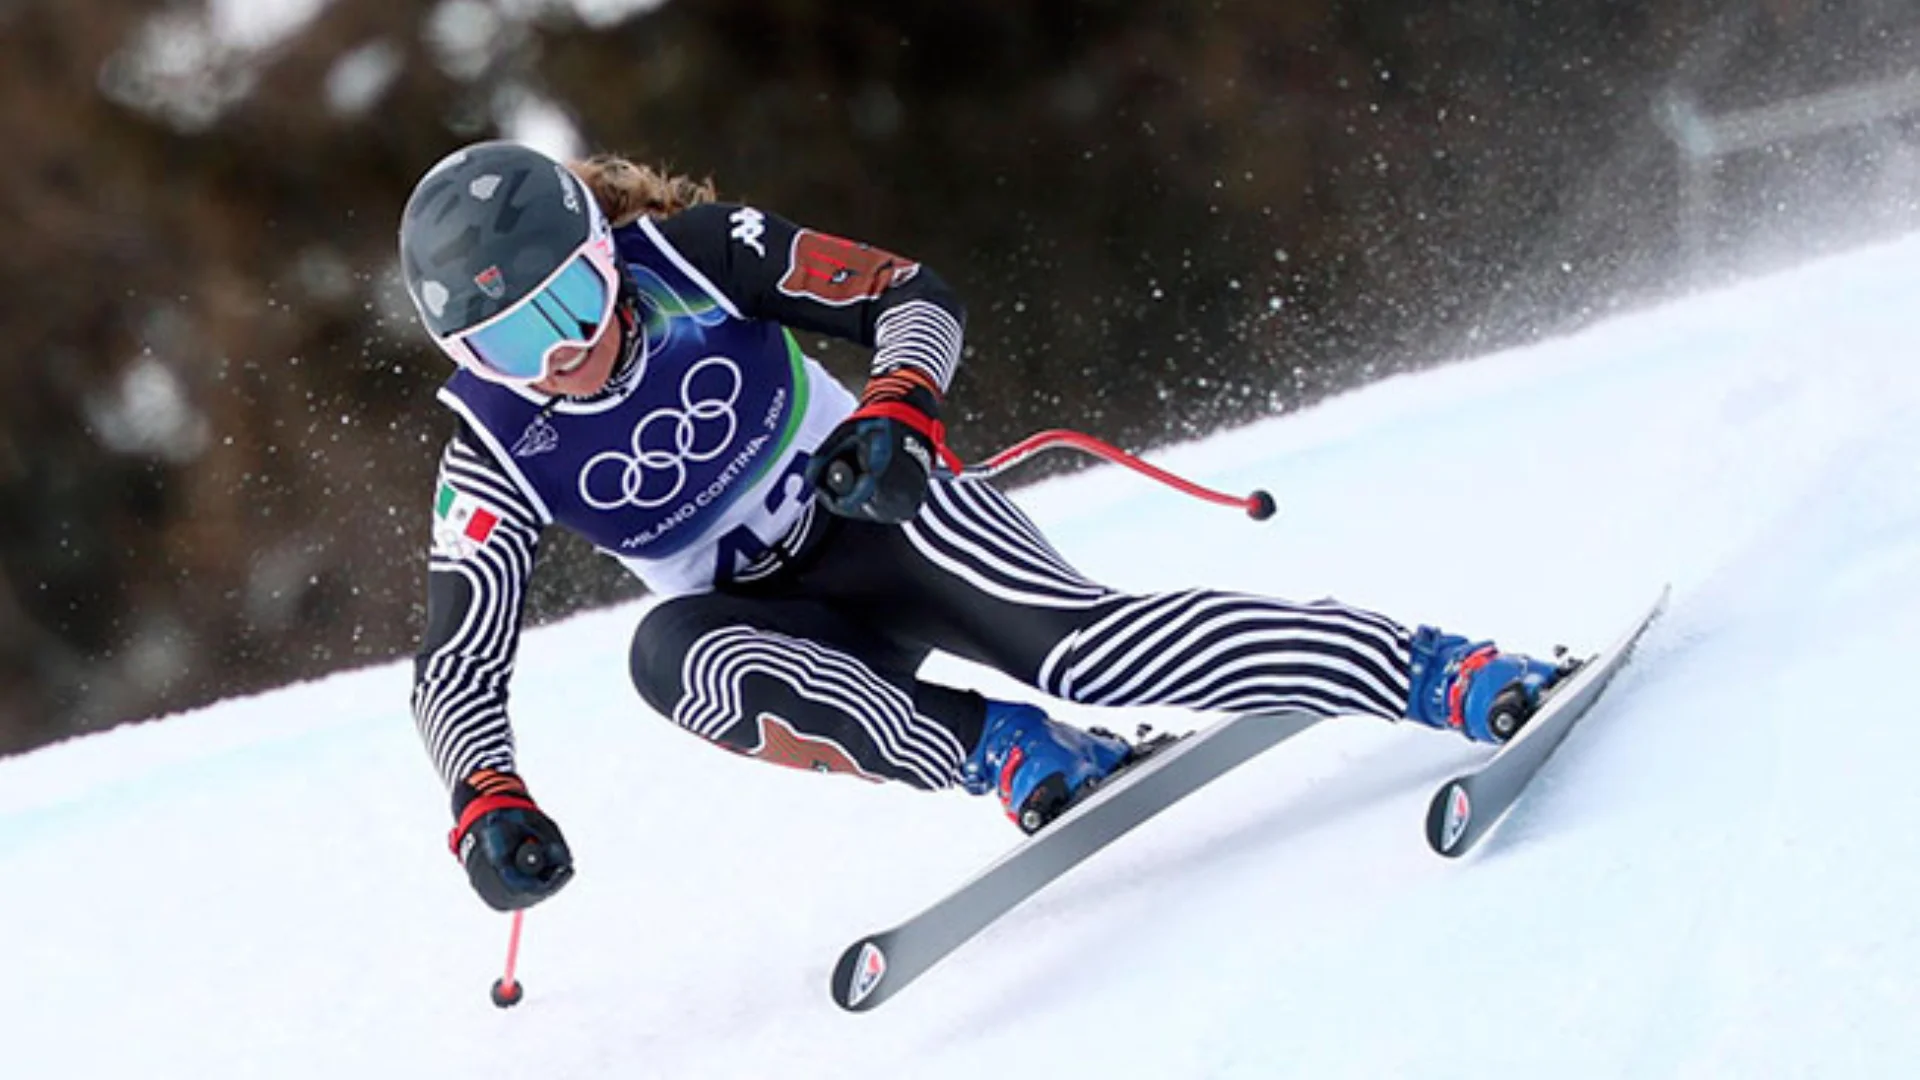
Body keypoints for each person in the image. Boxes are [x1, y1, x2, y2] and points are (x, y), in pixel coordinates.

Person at [398, 141, 1569, 912]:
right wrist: (484, 797)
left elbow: (908, 292)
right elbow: (457, 658)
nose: (566, 352)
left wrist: (901, 412)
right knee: (674, 662)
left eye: (574, 300)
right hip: (785, 626)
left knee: (1091, 650)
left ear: (607, 252)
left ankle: (1442, 672)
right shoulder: (496, 445)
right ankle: (1011, 750)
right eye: (513, 344)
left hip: (886, 513)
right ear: (468, 360)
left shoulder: (696, 260)